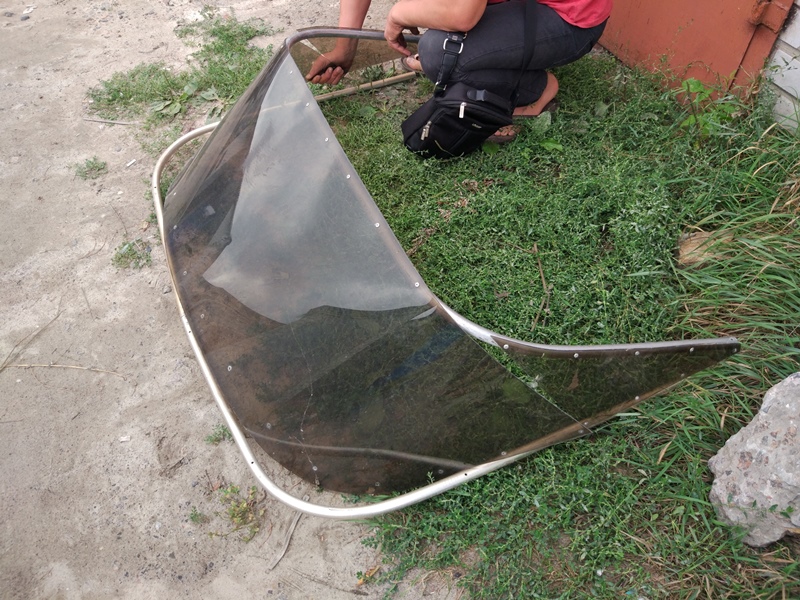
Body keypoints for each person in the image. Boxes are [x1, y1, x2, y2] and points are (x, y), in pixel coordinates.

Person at [306, 0, 612, 142]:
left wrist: (399, 13)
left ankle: (537, 89)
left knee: (437, 52)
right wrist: (344, 48)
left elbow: (461, 16)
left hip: (569, 18)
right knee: (441, 40)